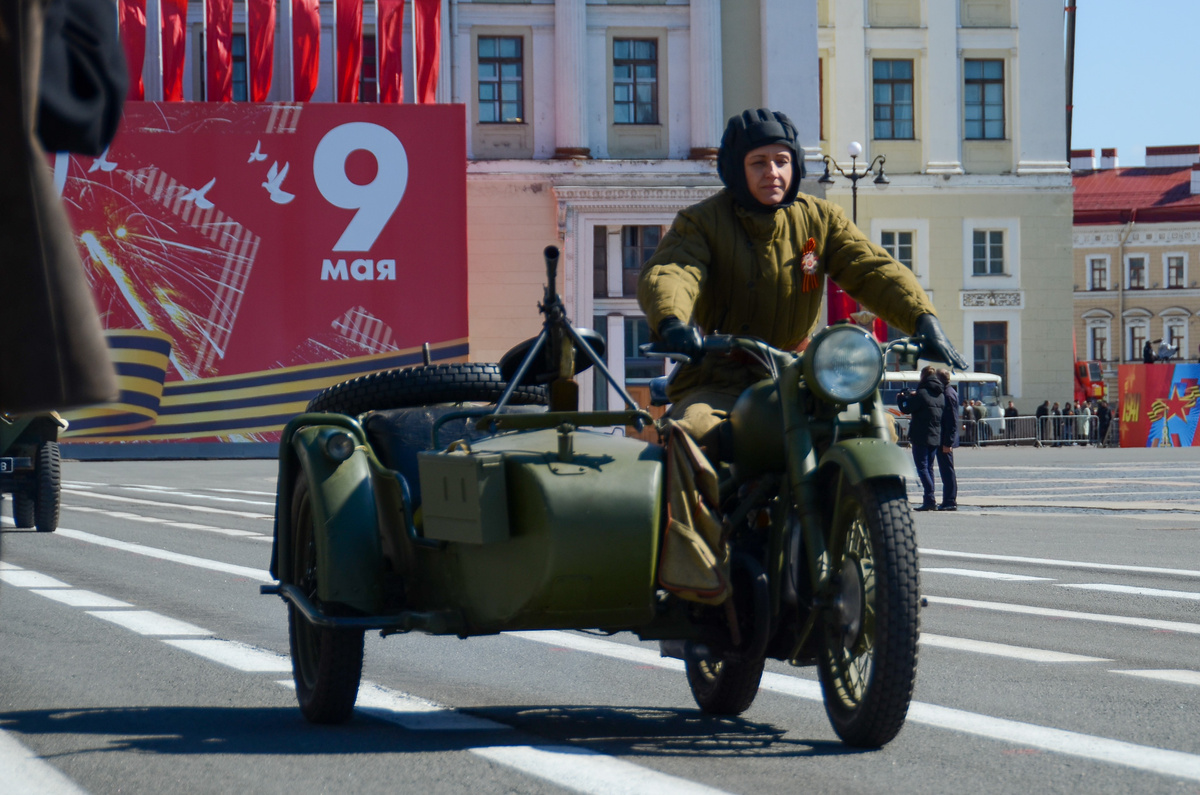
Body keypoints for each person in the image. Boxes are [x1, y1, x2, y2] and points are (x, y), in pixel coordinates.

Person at [638, 108, 967, 456]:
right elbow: (673, 270)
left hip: (807, 374)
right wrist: (672, 322)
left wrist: (922, 317)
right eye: (758, 163)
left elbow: (872, 269)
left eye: (782, 161)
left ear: (795, 165)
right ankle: (700, 511)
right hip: (723, 376)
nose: (772, 173)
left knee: (872, 427)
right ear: (737, 169)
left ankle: (865, 507)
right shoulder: (702, 222)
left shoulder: (820, 218)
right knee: (695, 432)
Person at [897, 367, 945, 511]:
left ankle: (930, 495)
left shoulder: (922, 393)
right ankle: (929, 500)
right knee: (929, 467)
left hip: (921, 435)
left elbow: (906, 408)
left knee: (922, 467)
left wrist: (901, 398)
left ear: (923, 376)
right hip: (935, 435)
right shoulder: (940, 394)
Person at [935, 369, 959, 510]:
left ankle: (950, 501)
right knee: (946, 470)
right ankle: (948, 500)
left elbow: (952, 421)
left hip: (945, 439)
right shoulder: (948, 392)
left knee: (947, 471)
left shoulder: (948, 395)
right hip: (944, 438)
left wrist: (947, 442)